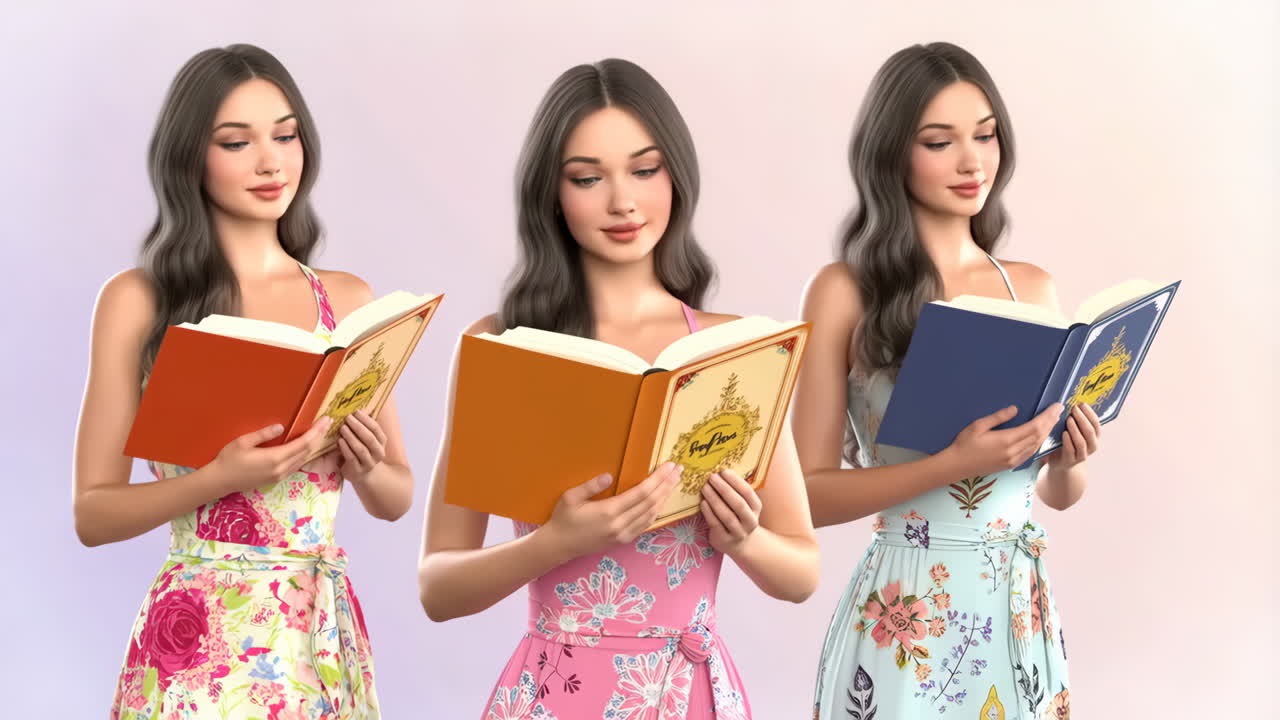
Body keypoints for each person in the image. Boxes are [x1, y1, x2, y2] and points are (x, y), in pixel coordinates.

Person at [418, 58, 820, 719]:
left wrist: (743, 537)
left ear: (676, 175)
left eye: (644, 169)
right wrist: (556, 542)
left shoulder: (734, 348)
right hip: (555, 691)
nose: (623, 202)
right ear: (552, 191)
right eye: (587, 178)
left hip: (687, 693)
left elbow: (801, 571)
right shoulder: (507, 347)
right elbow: (438, 586)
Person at [73, 44, 413, 719]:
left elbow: (396, 496)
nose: (272, 160)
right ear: (190, 157)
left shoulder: (346, 300)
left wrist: (369, 464)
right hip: (197, 637)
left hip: (317, 634)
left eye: (285, 135)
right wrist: (217, 479)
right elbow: (93, 512)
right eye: (237, 141)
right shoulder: (140, 300)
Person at [798, 42, 1098, 719]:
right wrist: (952, 465)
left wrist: (1070, 457)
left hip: (1018, 606)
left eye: (986, 135)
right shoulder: (845, 291)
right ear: (892, 153)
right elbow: (808, 496)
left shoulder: (1032, 288)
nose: (973, 161)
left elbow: (1058, 493)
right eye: (941, 141)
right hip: (904, 616)